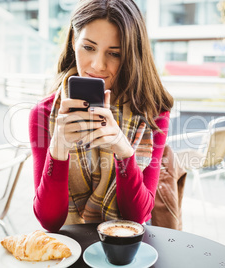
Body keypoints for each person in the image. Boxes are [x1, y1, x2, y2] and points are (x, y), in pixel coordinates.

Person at [29, 0, 173, 232]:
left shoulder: (152, 114)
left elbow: (138, 216)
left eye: (114, 53)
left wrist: (123, 150)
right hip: (69, 249)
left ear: (130, 55)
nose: (98, 65)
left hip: (124, 247)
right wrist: (58, 149)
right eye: (88, 47)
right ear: (74, 41)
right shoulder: (43, 114)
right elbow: (49, 221)